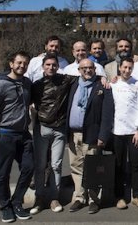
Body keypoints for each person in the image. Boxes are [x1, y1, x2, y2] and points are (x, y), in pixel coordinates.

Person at [0, 51, 34, 222]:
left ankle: (17, 202)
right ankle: (5, 207)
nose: (22, 66)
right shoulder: (0, 85)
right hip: (6, 135)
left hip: (24, 135)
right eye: (19, 63)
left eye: (25, 63)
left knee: (29, 167)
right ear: (11, 64)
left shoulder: (27, 83)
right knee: (3, 173)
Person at [30, 54, 78, 215]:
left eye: (54, 65)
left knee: (56, 165)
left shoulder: (66, 80)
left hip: (59, 130)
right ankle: (39, 197)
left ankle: (54, 198)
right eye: (48, 65)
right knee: (40, 166)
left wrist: (105, 79)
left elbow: (86, 75)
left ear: (58, 66)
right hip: (42, 128)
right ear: (43, 66)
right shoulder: (36, 85)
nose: (51, 67)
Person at [65, 58, 114, 214]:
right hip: (74, 134)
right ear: (79, 70)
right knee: (76, 167)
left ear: (95, 69)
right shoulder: (72, 84)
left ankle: (94, 199)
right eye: (84, 68)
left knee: (92, 168)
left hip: (92, 134)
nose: (87, 70)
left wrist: (103, 135)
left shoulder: (102, 86)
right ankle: (79, 197)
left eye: (90, 68)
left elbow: (107, 114)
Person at [110, 58, 138, 209]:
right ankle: (119, 197)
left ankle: (137, 196)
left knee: (135, 165)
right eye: (124, 67)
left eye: (130, 68)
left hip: (133, 132)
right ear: (119, 68)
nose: (127, 70)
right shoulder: (113, 84)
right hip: (117, 131)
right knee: (118, 165)